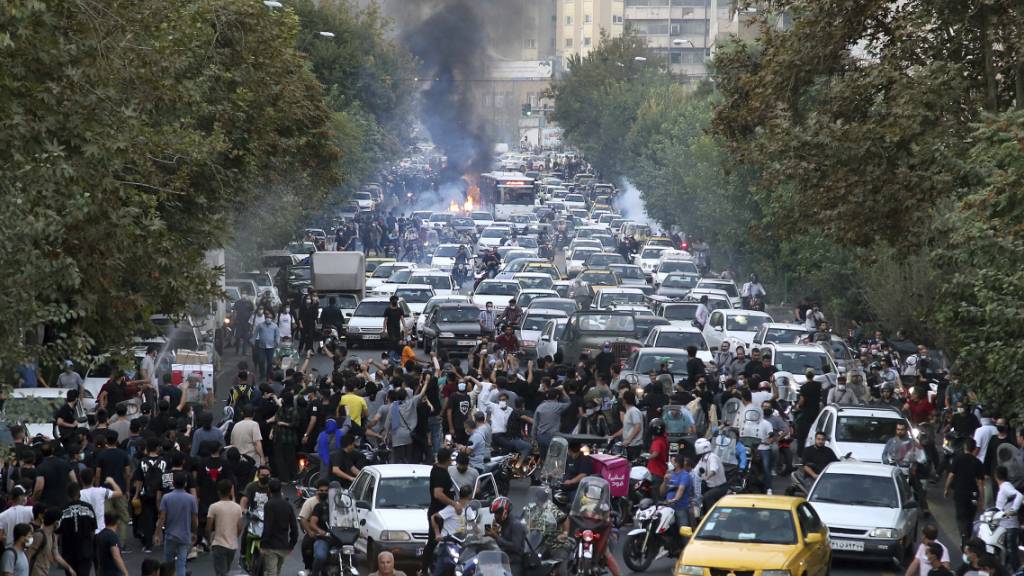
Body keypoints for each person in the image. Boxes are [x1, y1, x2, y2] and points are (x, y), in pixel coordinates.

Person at [423, 450, 459, 576]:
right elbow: (438, 494)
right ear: (448, 459)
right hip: (438, 513)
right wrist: (454, 504)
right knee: (434, 542)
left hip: (443, 512)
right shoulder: (441, 474)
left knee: (442, 540)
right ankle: (425, 570)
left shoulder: (436, 468)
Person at [154, 472, 198, 576]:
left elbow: (162, 517)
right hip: (185, 536)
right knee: (181, 564)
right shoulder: (191, 499)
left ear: (173, 483)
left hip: (170, 535)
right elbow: (194, 518)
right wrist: (195, 533)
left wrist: (157, 533)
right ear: (185, 484)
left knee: (168, 563)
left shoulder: (166, 497)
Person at [945, 437, 986, 545]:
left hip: (960, 493)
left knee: (961, 516)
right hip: (973, 495)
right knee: (970, 516)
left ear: (964, 447)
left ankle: (963, 536)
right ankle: (967, 536)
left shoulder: (958, 459)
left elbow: (951, 475)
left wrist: (946, 488)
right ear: (974, 449)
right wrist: (982, 499)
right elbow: (980, 484)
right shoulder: (978, 463)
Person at [260, 479, 298, 576]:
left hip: (271, 546)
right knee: (277, 571)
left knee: (271, 572)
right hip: (283, 545)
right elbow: (294, 527)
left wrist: (263, 545)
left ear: (269, 489)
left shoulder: (269, 505)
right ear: (281, 489)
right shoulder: (288, 505)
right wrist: (291, 544)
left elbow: (267, 526)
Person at [58, 482, 97, 576]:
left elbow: (59, 532)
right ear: (79, 493)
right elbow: (93, 530)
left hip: (69, 551)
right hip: (85, 549)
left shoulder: (62, 510)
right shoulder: (88, 508)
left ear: (68, 494)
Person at [206, 479, 243, 576]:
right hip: (232, 545)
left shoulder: (214, 507)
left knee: (220, 572)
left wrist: (209, 540)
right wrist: (235, 536)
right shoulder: (237, 507)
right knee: (226, 570)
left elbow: (208, 527)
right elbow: (240, 527)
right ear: (231, 491)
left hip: (219, 543)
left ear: (218, 491)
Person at [994, 465, 1023, 571]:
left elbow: (1019, 496)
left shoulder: (1006, 486)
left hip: (1009, 526)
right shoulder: (1004, 487)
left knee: (1011, 552)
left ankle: (1017, 571)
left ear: (996, 475)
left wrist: (1012, 511)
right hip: (1004, 525)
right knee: (1006, 552)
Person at [488, 496, 525, 576]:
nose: (495, 516)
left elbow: (516, 547)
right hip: (503, 559)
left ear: (504, 512)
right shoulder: (503, 523)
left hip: (514, 562)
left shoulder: (515, 525)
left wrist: (496, 537)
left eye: (497, 513)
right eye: (495, 514)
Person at [251, 311, 280, 381]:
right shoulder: (260, 325)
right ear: (265, 318)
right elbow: (255, 334)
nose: (268, 319)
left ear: (272, 318)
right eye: (267, 317)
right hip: (261, 346)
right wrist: (253, 341)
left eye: (270, 317)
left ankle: (268, 375)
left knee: (270, 362)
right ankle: (262, 374)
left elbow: (277, 335)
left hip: (271, 347)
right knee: (261, 360)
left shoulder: (275, 326)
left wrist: (277, 342)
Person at [647, 418, 669, 494]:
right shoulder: (663, 438)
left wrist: (646, 457)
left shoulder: (657, 442)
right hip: (661, 470)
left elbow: (656, 453)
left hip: (656, 471)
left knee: (656, 494)